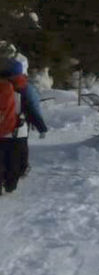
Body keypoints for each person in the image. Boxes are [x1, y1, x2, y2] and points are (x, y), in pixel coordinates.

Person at [0, 42, 48, 194]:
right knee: (14, 160)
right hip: (16, 131)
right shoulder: (22, 89)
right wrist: (41, 127)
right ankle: (10, 184)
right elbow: (32, 109)